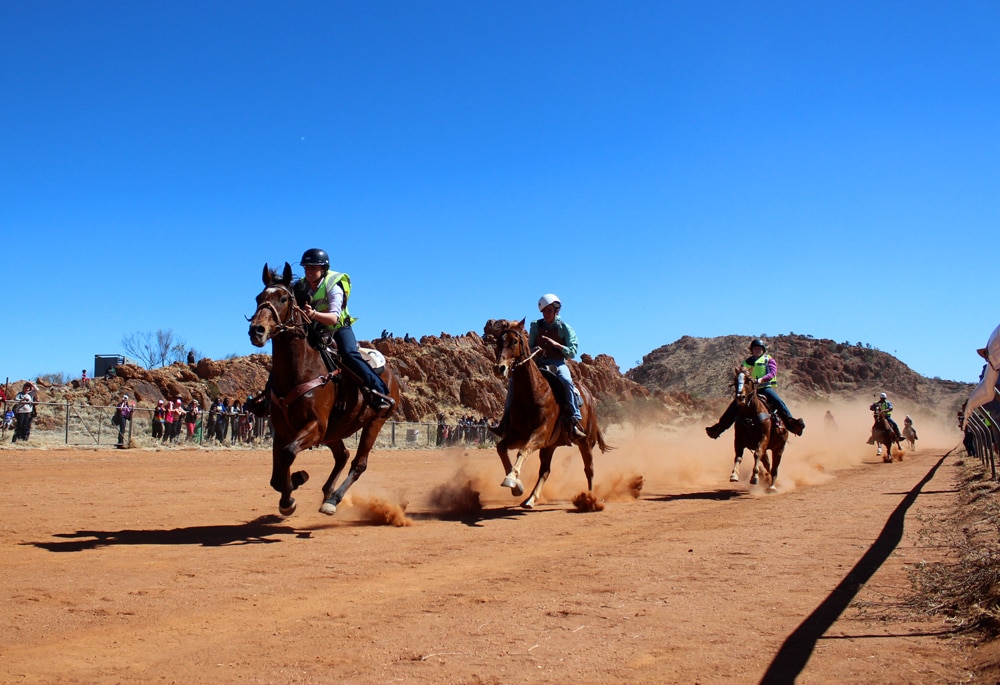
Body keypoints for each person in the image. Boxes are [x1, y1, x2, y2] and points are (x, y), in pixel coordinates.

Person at [296, 247, 394, 413]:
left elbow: (334, 317)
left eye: (313, 267)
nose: (309, 271)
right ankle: (267, 397)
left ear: (323, 268)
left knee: (349, 354)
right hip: (315, 330)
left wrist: (312, 313)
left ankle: (379, 391)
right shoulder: (301, 286)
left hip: (338, 329)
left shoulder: (334, 285)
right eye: (306, 268)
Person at [705, 339, 806, 439]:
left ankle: (792, 424)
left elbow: (772, 373)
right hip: (750, 391)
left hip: (764, 388)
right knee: (734, 406)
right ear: (752, 350)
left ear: (763, 350)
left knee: (778, 402)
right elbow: (741, 374)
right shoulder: (746, 362)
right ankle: (719, 428)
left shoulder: (768, 359)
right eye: (755, 349)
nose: (757, 350)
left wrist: (761, 380)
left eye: (759, 348)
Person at [528, 293, 587, 439]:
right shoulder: (536, 325)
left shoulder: (565, 328)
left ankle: (575, 418)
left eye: (549, 310)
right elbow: (530, 346)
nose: (546, 314)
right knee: (515, 380)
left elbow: (572, 352)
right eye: (544, 311)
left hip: (557, 363)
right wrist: (533, 350)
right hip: (538, 363)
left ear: (556, 310)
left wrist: (558, 345)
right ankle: (507, 420)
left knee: (566, 381)